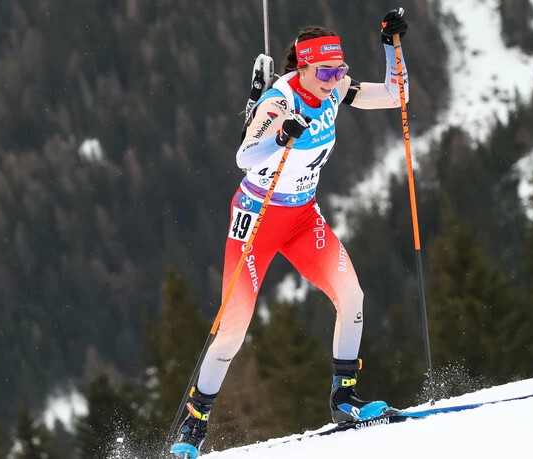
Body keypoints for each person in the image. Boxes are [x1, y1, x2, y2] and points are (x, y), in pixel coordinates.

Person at [171, 8, 409, 458]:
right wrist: (280, 139)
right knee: (234, 328)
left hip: (302, 216)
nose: (335, 77)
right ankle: (194, 426)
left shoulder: (336, 87)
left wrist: (390, 45)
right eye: (324, 70)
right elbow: (245, 156)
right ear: (302, 67)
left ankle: (344, 399)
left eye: (339, 68)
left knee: (351, 296)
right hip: (257, 217)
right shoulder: (280, 101)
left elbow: (397, 95)